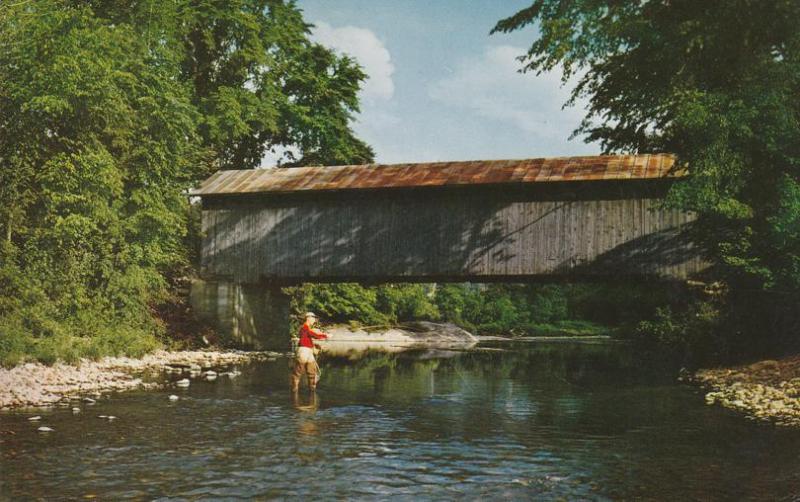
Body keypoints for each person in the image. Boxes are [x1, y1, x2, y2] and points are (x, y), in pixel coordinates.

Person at [290, 312, 329, 392]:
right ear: (308, 318)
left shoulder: (306, 328)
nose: (315, 319)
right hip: (303, 351)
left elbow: (308, 338)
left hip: (308, 351)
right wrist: (325, 336)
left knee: (312, 372)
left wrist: (314, 346)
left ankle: (312, 391)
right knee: (298, 372)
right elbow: (312, 334)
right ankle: (295, 390)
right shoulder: (304, 328)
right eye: (313, 317)